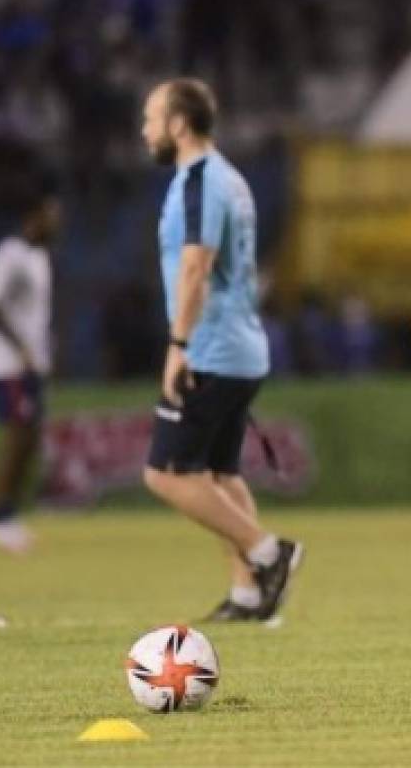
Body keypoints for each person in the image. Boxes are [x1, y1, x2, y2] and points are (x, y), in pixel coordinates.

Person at [139, 77, 302, 621]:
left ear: (179, 124)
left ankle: (267, 553)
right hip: (243, 346)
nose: (145, 130)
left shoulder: (200, 181)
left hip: (211, 347)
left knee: (165, 473)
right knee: (220, 475)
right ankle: (250, 595)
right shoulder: (231, 177)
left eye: (152, 118)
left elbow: (196, 265)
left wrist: (178, 344)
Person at [0, 180, 61, 554]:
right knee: (17, 435)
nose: (58, 220)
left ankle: (8, 513)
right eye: (52, 212)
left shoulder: (40, 257)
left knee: (29, 438)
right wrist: (21, 347)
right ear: (34, 216)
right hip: (6, 364)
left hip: (30, 363)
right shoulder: (10, 254)